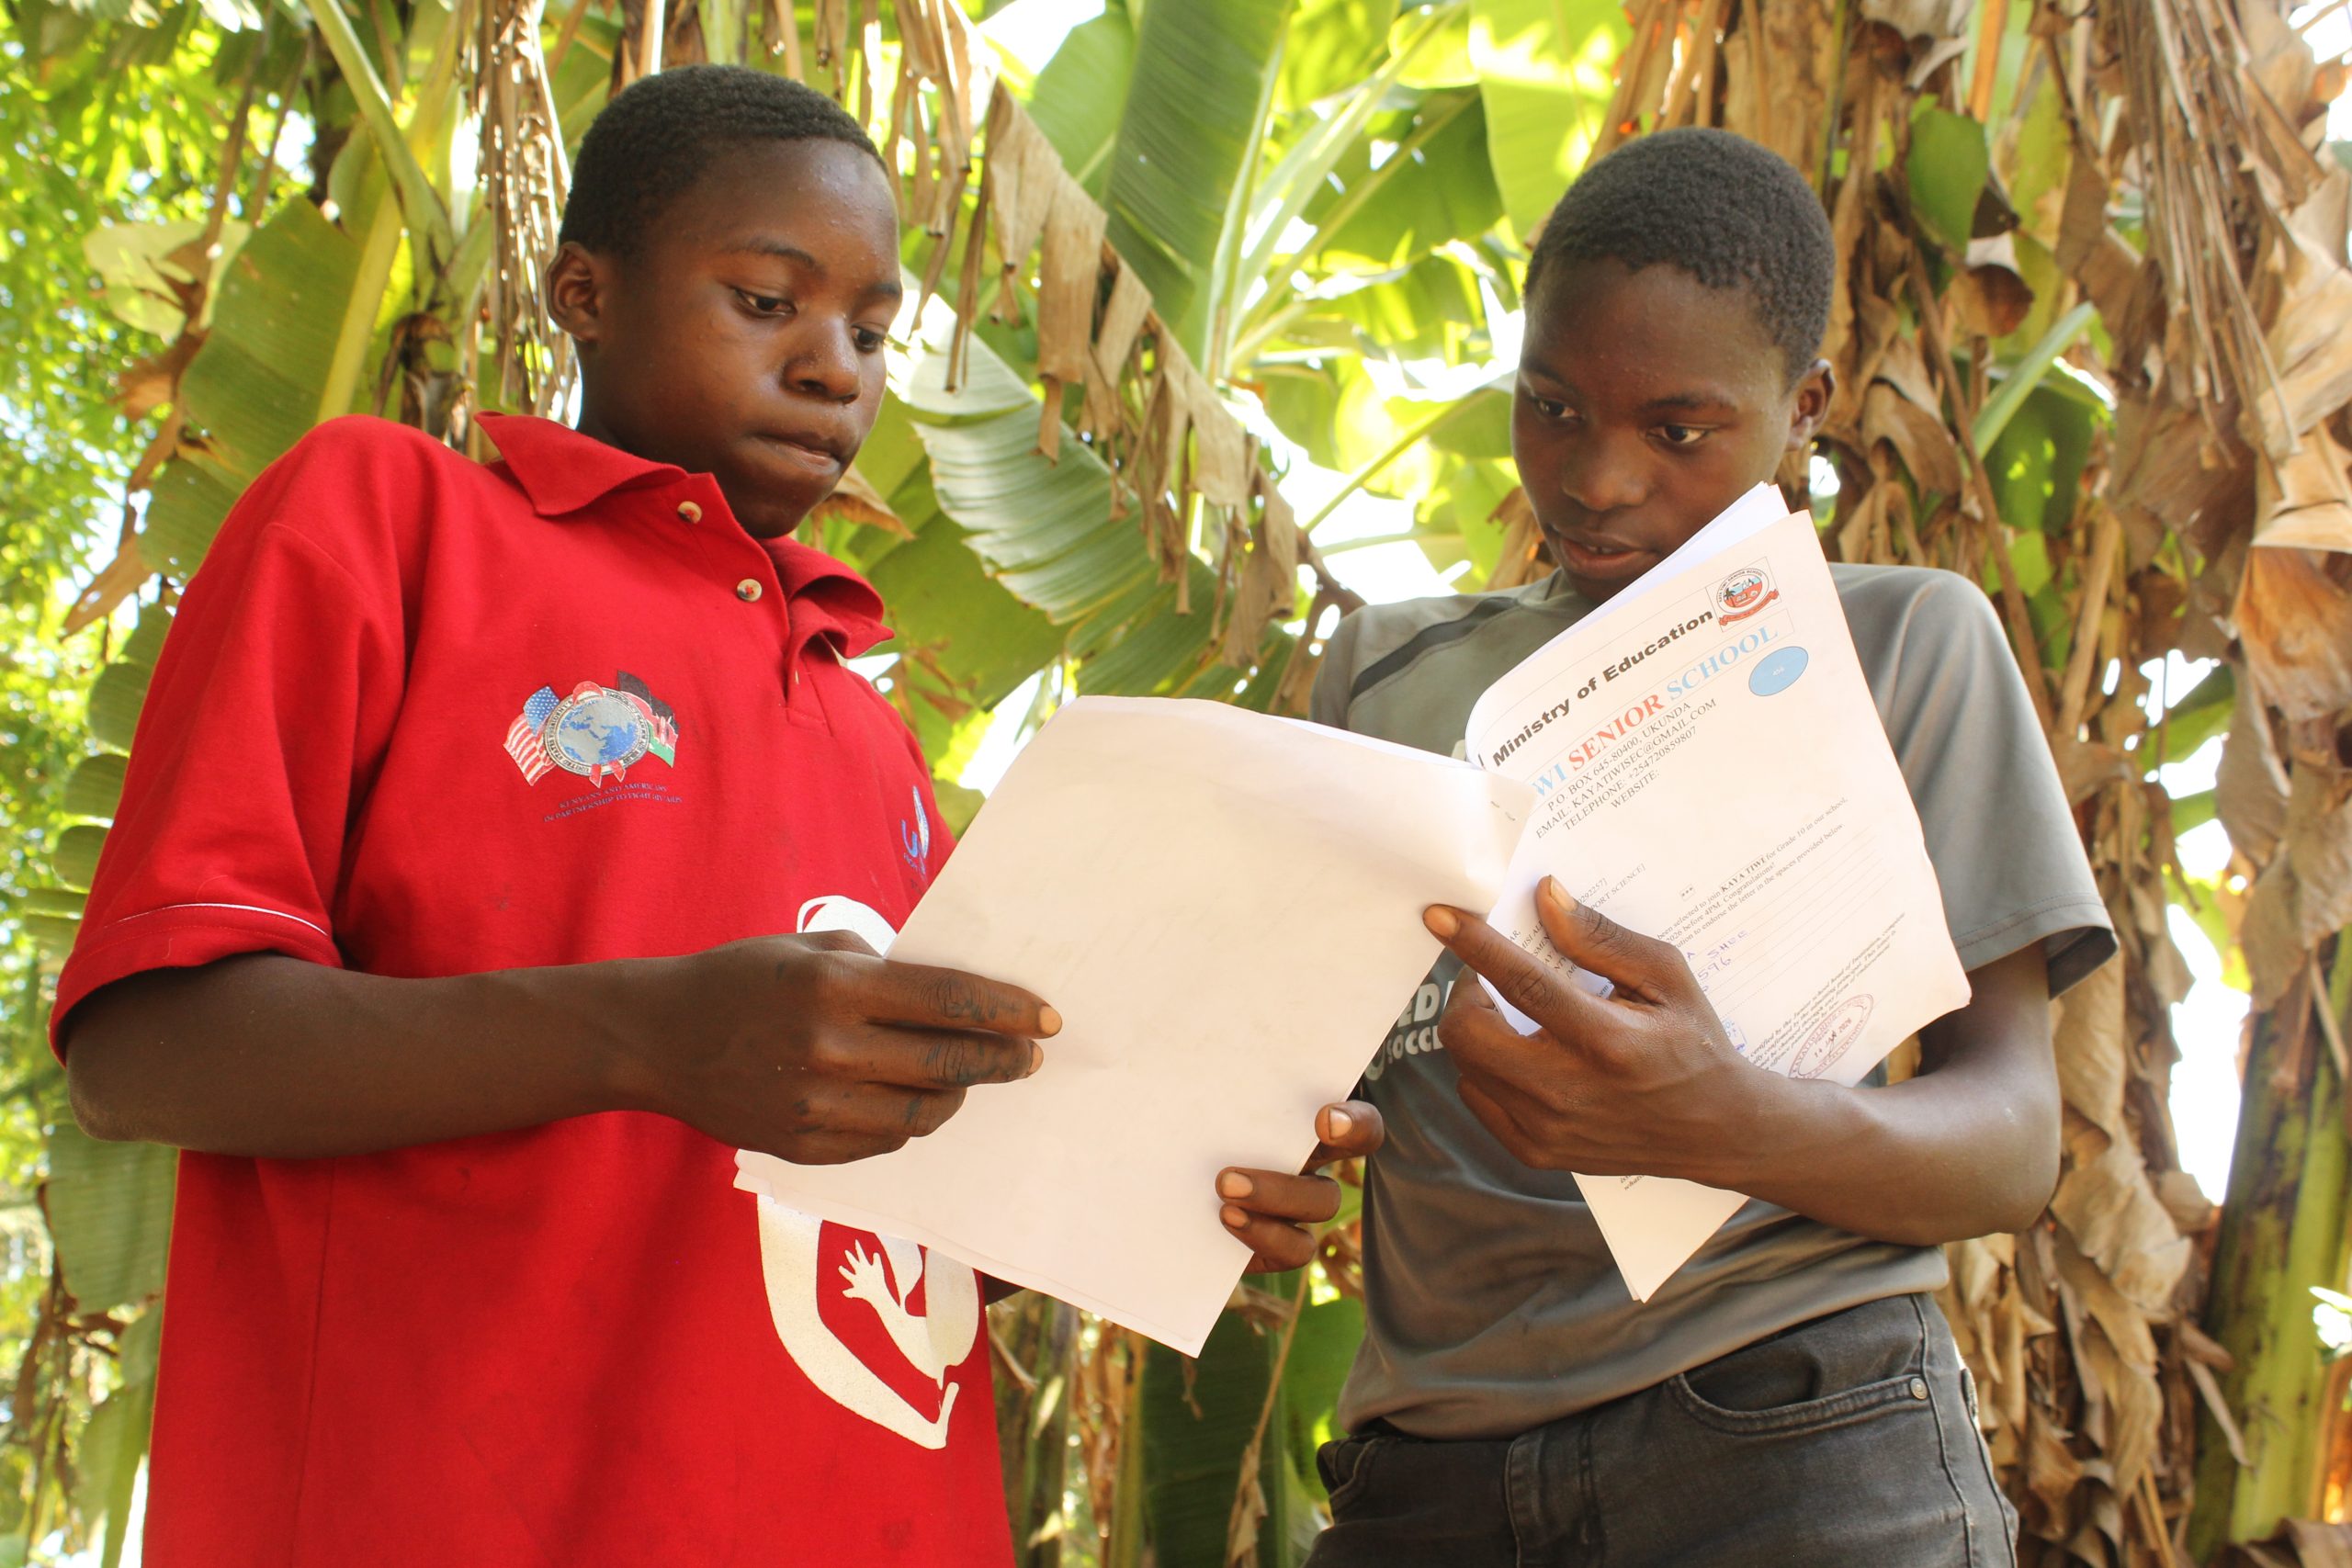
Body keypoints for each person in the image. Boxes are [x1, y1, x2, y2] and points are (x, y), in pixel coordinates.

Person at [55, 65, 1367, 1566]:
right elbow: (142, 1050)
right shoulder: (393, 519)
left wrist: (1181, 1179)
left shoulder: (873, 735)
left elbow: (894, 1230)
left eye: (870, 332)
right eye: (766, 302)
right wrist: (648, 1037)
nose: (834, 370)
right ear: (584, 293)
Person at [1304, 127, 2114, 1567]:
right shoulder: (1382, 674)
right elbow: (1299, 1078)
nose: (1598, 478)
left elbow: (2010, 1146)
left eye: (1678, 430)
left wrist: (1725, 1123)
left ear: (1803, 408)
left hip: (1797, 1442)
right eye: (1551, 408)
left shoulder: (1905, 646)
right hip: (1429, 1479)